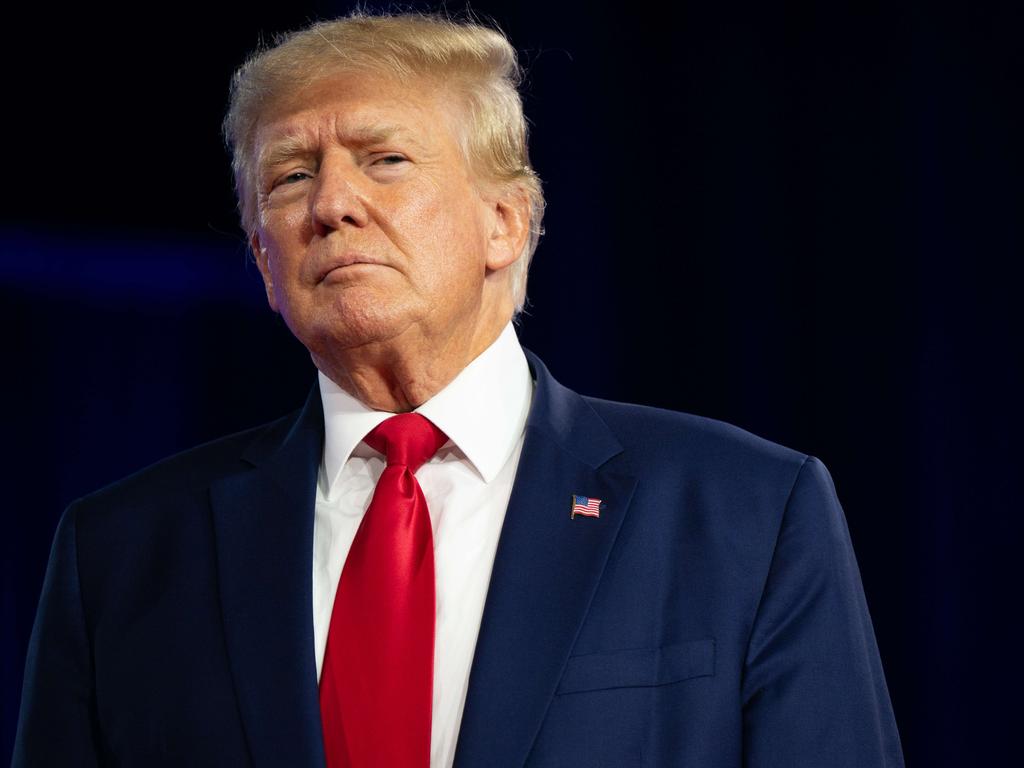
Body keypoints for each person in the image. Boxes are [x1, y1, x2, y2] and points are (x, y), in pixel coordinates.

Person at [13, 12, 904, 768]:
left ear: (505, 223)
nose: (331, 204)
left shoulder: (747, 510)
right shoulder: (121, 554)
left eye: (385, 159)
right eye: (290, 176)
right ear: (262, 260)